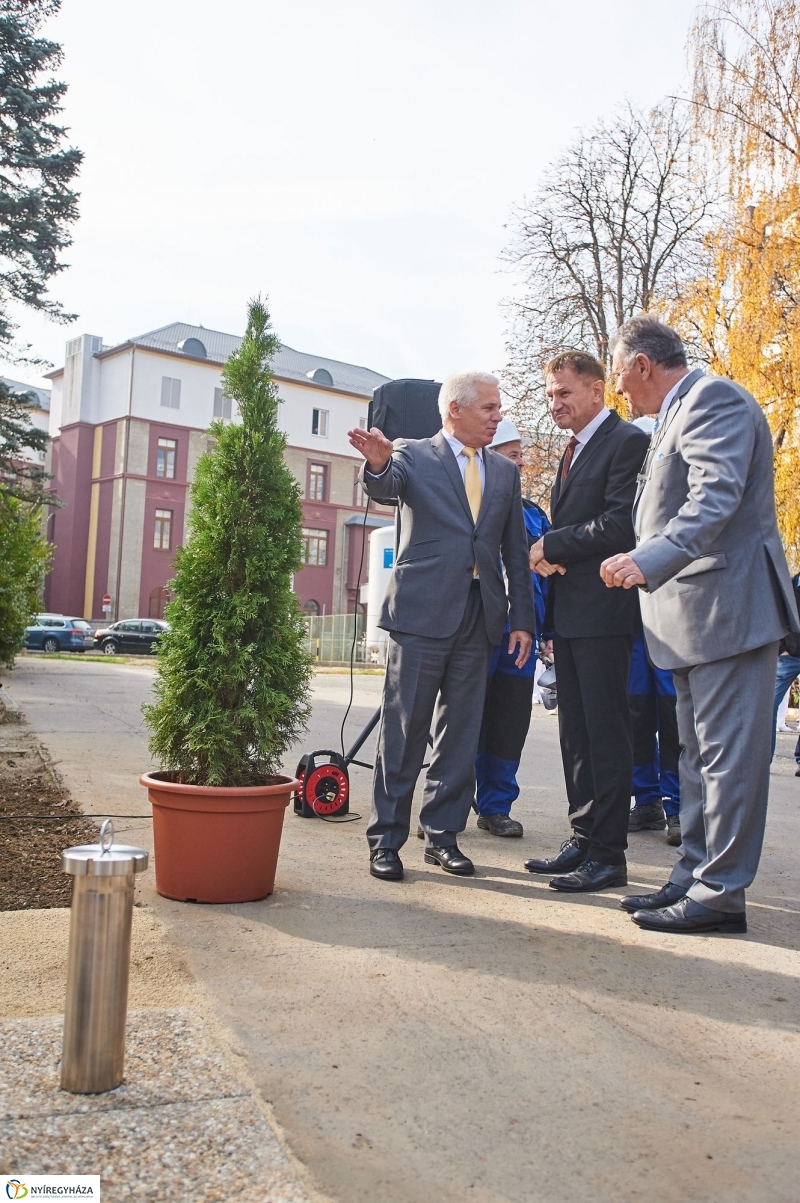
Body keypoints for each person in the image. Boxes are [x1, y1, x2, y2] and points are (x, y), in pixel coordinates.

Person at [602, 314, 799, 934]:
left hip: (728, 610)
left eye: (618, 376)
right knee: (697, 758)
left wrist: (647, 558)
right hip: (691, 617)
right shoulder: (672, 415)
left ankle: (720, 894)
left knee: (727, 759)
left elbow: (714, 497)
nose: (619, 389)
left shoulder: (714, 399)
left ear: (641, 364)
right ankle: (693, 874)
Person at [348, 372, 536, 881]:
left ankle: (442, 836)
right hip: (422, 614)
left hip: (480, 618)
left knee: (460, 732)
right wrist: (378, 462)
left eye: (499, 408)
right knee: (405, 729)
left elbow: (515, 553)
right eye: (490, 408)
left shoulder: (503, 471)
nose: (499, 416)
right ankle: (386, 839)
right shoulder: (413, 453)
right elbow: (388, 485)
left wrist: (523, 618)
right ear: (455, 409)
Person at [524, 351, 650, 893]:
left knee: (604, 732)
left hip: (605, 613)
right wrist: (555, 556)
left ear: (598, 391)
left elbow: (622, 524)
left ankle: (609, 853)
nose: (555, 403)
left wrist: (552, 545)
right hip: (572, 613)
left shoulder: (626, 443)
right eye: (550, 395)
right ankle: (583, 837)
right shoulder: (572, 450)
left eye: (564, 393)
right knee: (575, 733)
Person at [474, 416, 550, 836]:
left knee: (508, 722)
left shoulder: (535, 516)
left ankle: (496, 806)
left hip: (519, 638)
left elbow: (553, 577)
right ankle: (446, 804)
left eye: (522, 456)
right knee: (465, 719)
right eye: (512, 456)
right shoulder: (470, 505)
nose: (520, 465)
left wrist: (549, 629)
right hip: (474, 631)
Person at [772, 571, 800, 776]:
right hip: (789, 655)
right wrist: (782, 647)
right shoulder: (788, 584)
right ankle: (762, 760)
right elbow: (776, 615)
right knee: (767, 707)